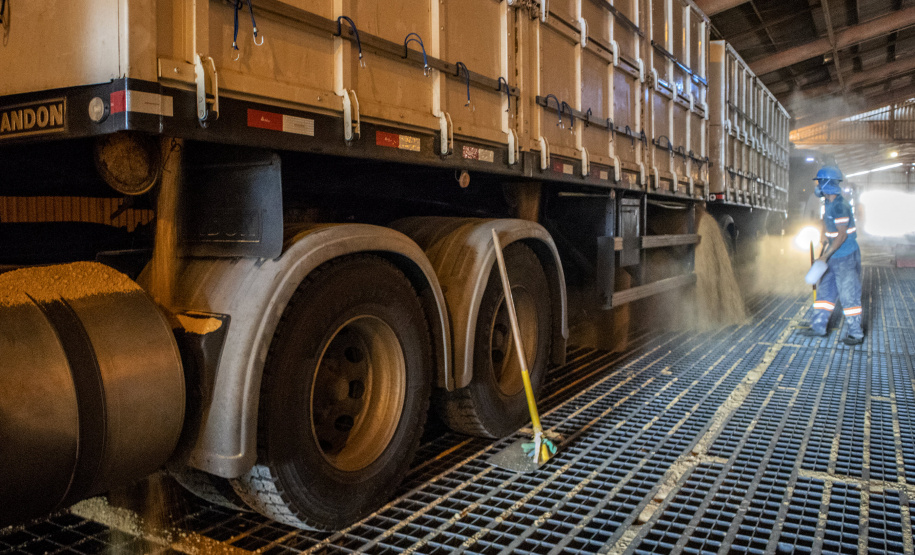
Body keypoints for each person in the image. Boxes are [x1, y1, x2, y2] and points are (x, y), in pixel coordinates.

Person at [800, 165, 864, 345]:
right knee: (825, 291)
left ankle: (856, 334)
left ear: (828, 183)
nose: (818, 185)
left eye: (820, 182)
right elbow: (826, 222)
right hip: (834, 255)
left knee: (848, 295)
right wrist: (823, 237)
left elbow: (842, 236)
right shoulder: (828, 203)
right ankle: (818, 327)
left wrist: (824, 256)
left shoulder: (840, 206)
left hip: (845, 255)